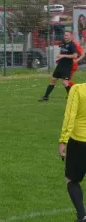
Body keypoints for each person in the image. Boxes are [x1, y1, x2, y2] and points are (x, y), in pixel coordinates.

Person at [58, 83, 86, 221]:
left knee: (72, 179)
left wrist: (63, 140)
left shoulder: (77, 89)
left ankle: (82, 216)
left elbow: (70, 116)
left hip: (80, 141)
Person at [39, 30, 78, 102]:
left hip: (67, 66)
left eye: (67, 35)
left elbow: (75, 55)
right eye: (65, 35)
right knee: (53, 80)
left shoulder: (72, 45)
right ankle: (45, 97)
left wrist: (63, 55)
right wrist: (59, 57)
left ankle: (72, 97)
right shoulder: (63, 43)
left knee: (65, 82)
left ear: (71, 36)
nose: (65, 36)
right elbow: (62, 50)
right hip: (60, 65)